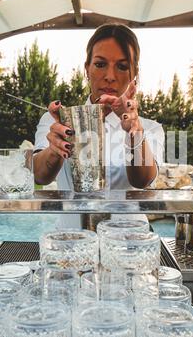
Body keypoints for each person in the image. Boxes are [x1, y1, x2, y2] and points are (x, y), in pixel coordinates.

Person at [33, 24, 165, 228]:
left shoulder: (150, 129)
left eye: (122, 66)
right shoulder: (55, 122)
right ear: (87, 68)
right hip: (71, 246)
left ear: (134, 74)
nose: (110, 76)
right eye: (100, 64)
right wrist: (55, 149)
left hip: (130, 247)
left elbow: (142, 181)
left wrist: (134, 133)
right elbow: (40, 175)